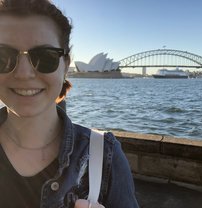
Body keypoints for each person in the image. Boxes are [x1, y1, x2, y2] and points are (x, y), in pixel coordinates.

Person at [0, 0, 139, 207]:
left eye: (45, 57)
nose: (23, 74)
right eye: (3, 56)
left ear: (65, 65)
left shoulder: (104, 155)